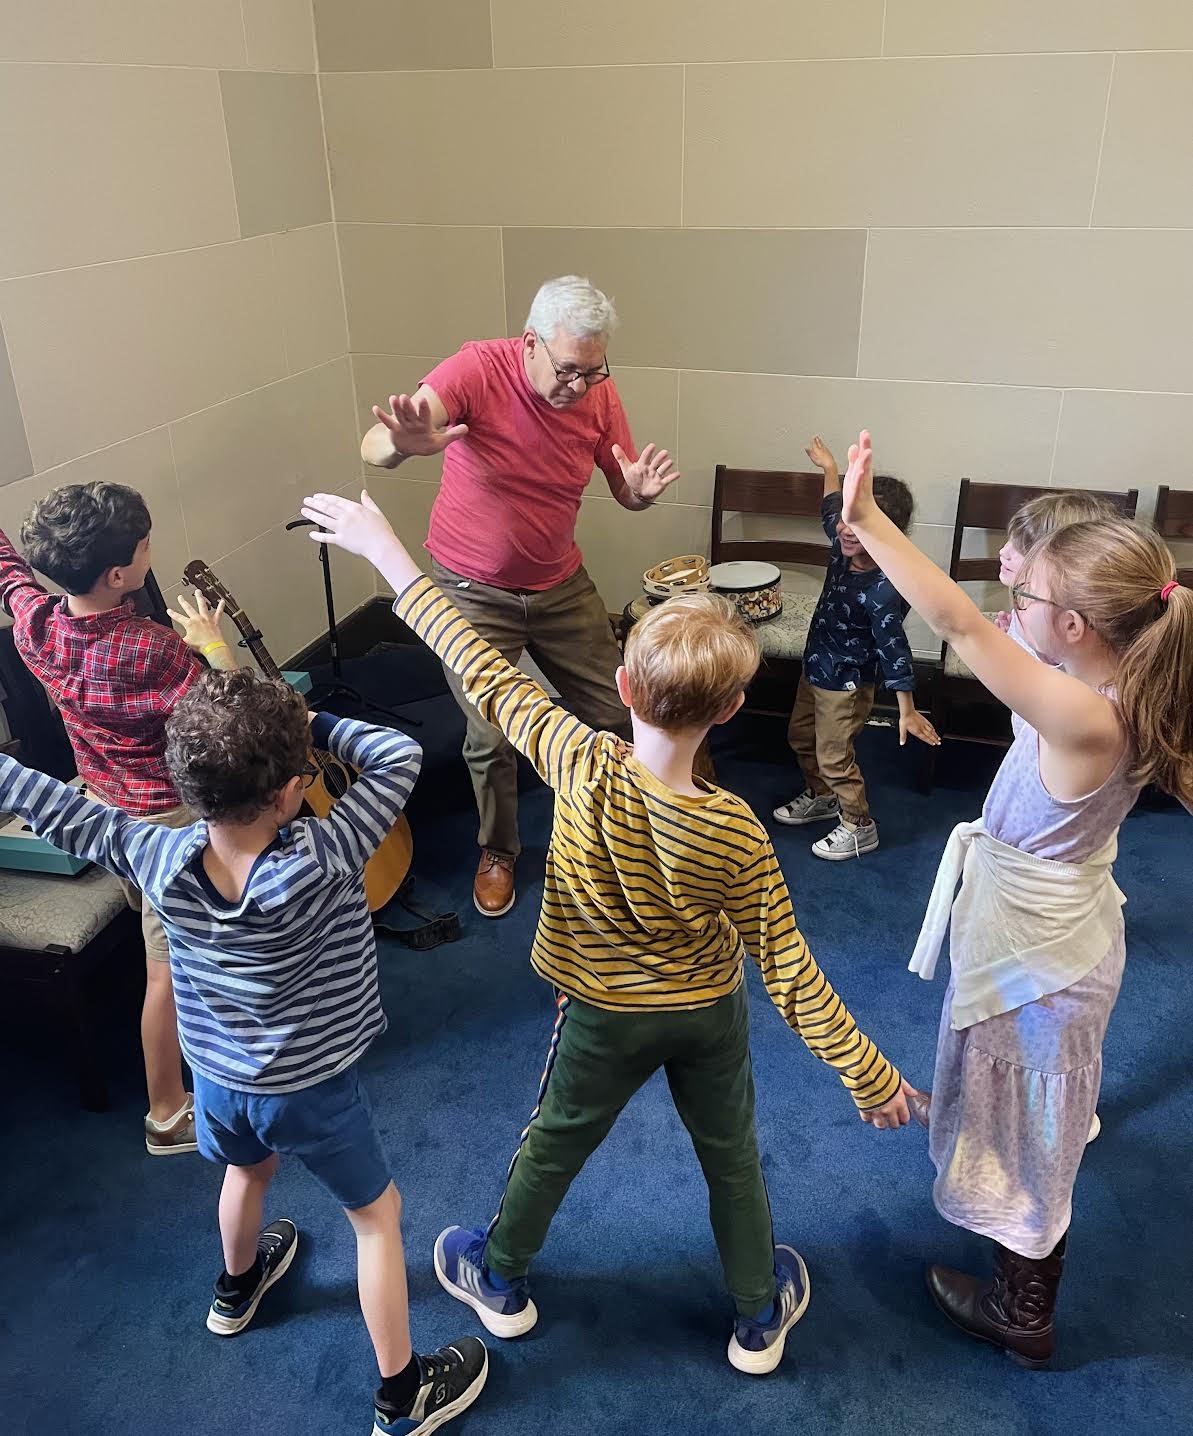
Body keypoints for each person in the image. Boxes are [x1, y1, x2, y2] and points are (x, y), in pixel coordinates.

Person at [299, 487, 918, 1378]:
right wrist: (868, 1071)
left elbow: (478, 663)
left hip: (598, 1012)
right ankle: (756, 1315)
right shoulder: (738, 830)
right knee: (732, 1159)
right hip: (706, 1012)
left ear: (622, 687)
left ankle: (497, 1277)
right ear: (731, 709)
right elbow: (787, 966)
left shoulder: (574, 756)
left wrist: (387, 551)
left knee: (554, 1139)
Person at [0, 669, 488, 1434]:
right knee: (377, 1217)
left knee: (245, 1171)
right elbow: (397, 754)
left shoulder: (149, 851)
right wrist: (310, 724)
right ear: (289, 790)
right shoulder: (328, 852)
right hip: (313, 1091)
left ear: (185, 783)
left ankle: (236, 1288)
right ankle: (403, 1395)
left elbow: (55, 806)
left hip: (220, 1083)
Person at [837, 429, 1193, 1367]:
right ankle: (1030, 1154)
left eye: (1028, 598)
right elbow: (993, 620)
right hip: (1055, 936)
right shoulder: (1104, 680)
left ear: (1074, 625)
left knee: (1031, 1128)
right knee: (1032, 1100)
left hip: (1043, 962)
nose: (1012, 605)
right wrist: (1028, 567)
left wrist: (868, 519)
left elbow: (958, 625)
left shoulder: (1083, 715)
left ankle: (1021, 1309)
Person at [360, 275, 679, 919]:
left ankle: (633, 827)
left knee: (621, 707)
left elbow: (622, 486)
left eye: (593, 371)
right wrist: (400, 443)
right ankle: (498, 850)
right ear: (530, 343)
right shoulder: (477, 368)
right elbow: (372, 448)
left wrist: (639, 495)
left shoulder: (597, 390)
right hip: (471, 590)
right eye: (568, 371)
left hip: (560, 583)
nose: (580, 386)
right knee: (490, 734)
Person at [0, 481, 240, 1155]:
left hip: (106, 811)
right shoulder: (149, 648)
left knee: (168, 936)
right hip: (169, 823)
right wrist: (211, 644)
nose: (147, 551)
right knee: (166, 964)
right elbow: (230, 716)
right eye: (142, 547)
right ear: (117, 574)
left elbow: (10, 575)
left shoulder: (37, 625)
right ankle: (166, 1111)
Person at [773, 437, 939, 860]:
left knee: (834, 756)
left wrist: (906, 709)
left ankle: (859, 824)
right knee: (800, 737)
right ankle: (822, 796)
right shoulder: (843, 543)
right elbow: (831, 506)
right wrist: (830, 468)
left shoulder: (884, 588)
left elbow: (895, 650)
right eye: (848, 517)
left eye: (859, 523)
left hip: (846, 685)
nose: (845, 529)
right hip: (816, 667)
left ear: (887, 532)